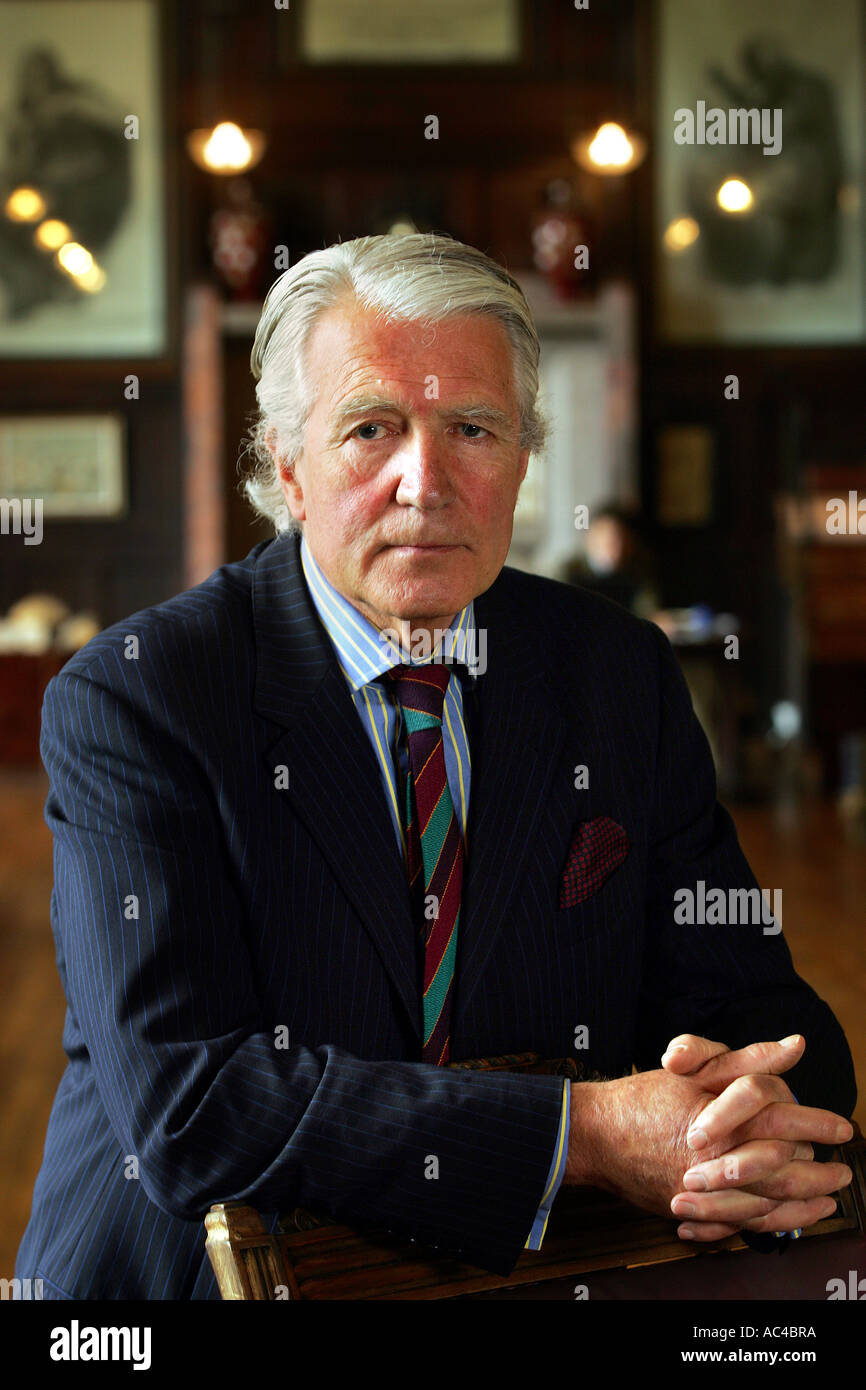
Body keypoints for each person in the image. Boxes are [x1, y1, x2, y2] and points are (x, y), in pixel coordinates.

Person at [16, 233, 855, 1299]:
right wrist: (585, 1132)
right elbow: (192, 1109)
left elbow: (771, 1017)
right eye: (372, 428)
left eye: (471, 427)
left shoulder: (615, 673)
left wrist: (755, 1122)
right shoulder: (137, 696)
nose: (426, 481)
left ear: (521, 455)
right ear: (286, 464)